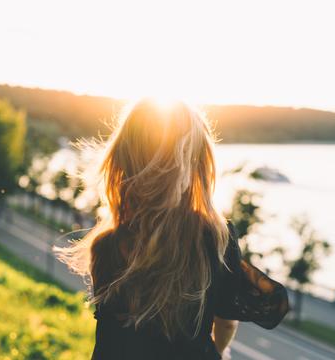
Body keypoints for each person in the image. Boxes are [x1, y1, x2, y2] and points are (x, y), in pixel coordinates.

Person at [55, 99, 288, 359]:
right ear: (197, 165)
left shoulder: (105, 245)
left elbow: (115, 334)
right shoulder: (214, 239)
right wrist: (219, 350)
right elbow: (226, 321)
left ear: (123, 159)